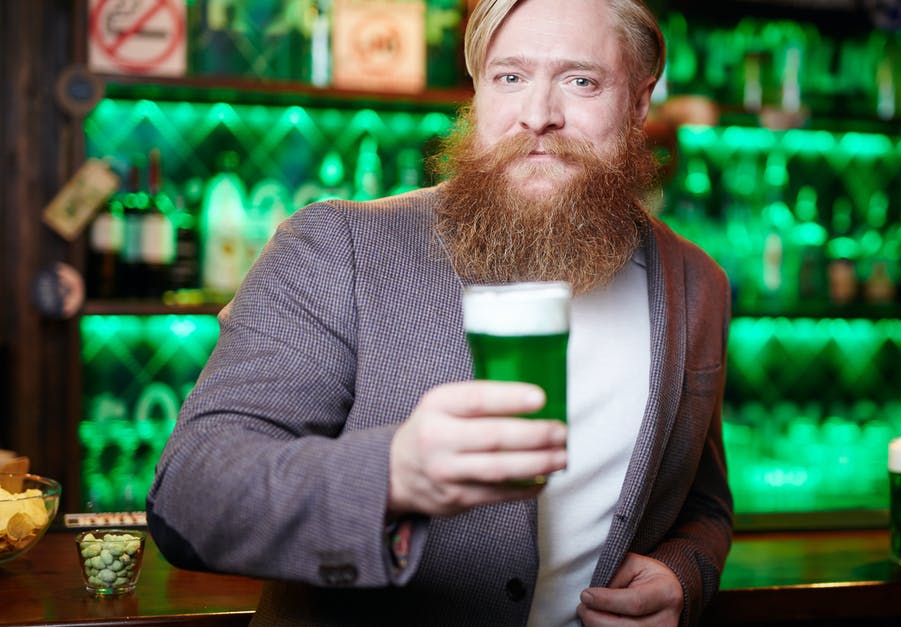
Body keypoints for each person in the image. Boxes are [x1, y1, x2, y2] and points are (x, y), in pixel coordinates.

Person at [146, 0, 733, 624]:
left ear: (641, 100)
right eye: (510, 77)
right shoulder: (334, 247)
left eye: (580, 81)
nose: (538, 116)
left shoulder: (698, 284)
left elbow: (703, 505)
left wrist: (683, 574)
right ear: (478, 90)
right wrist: (394, 476)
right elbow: (189, 497)